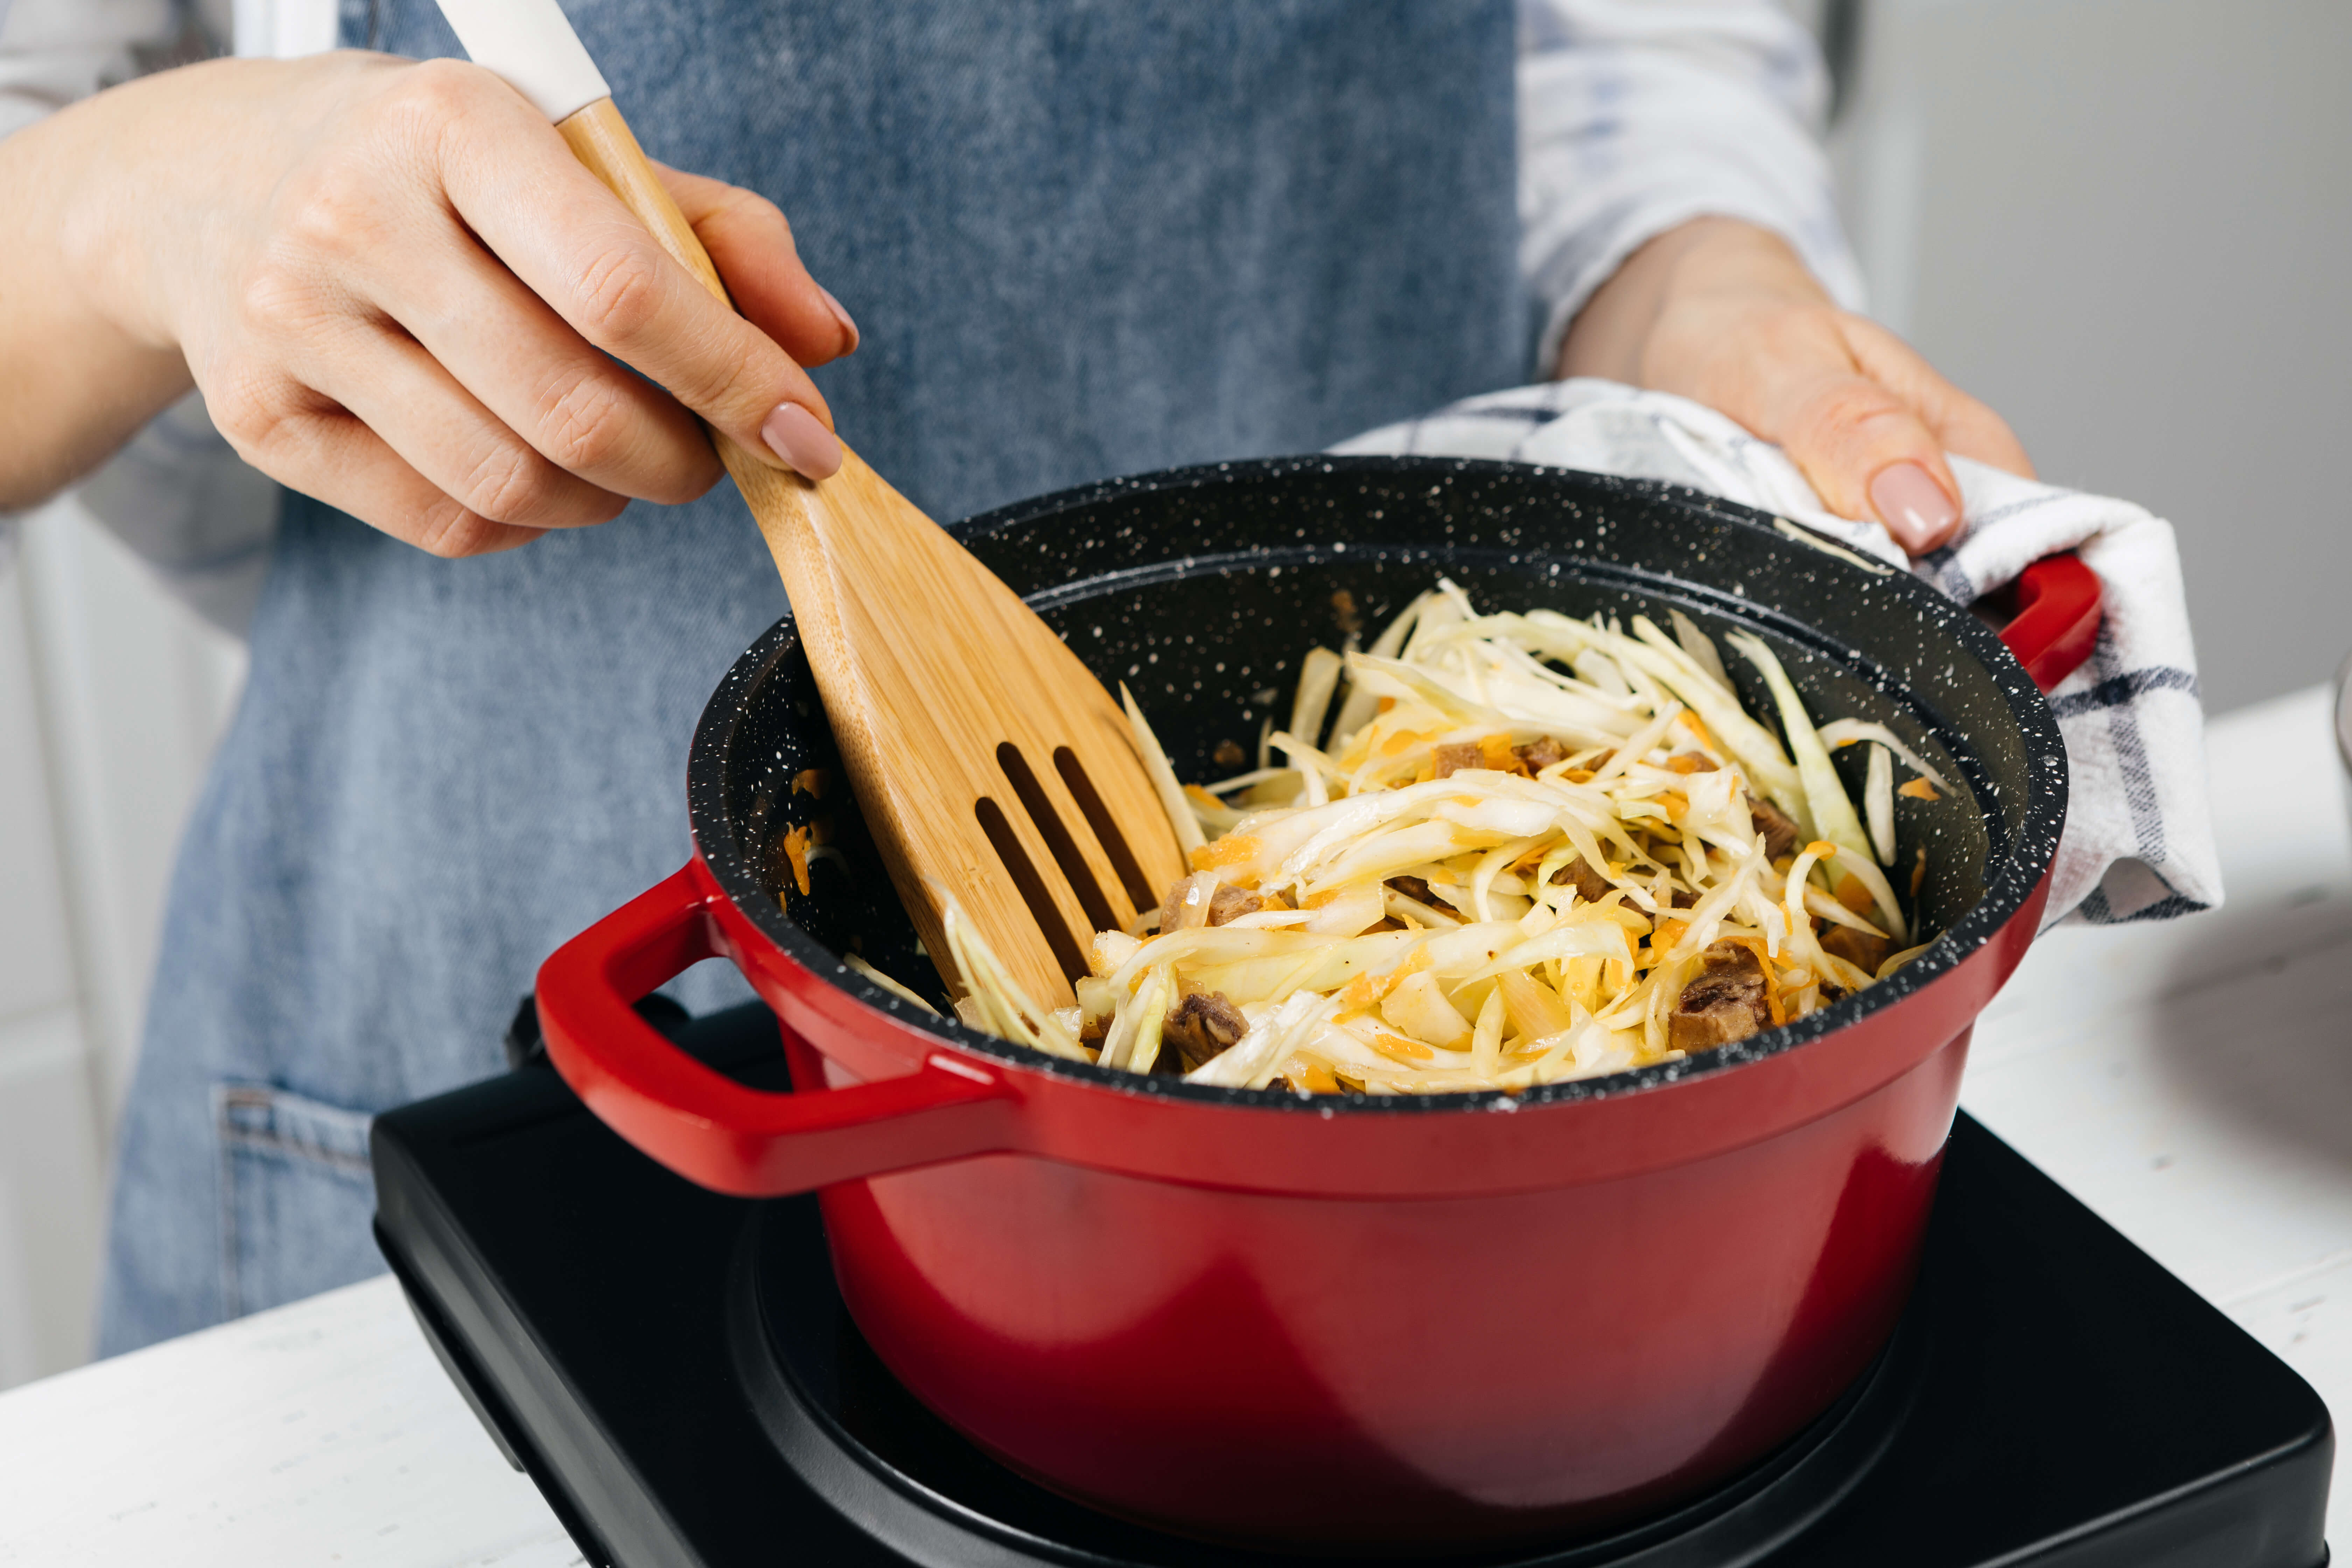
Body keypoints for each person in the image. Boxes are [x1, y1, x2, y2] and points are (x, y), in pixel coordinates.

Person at [0, 0, 2031, 1352]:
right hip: (461, 1058)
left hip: (1445, 1214)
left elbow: (1628, 30)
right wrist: (141, 200)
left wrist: (1687, 264)